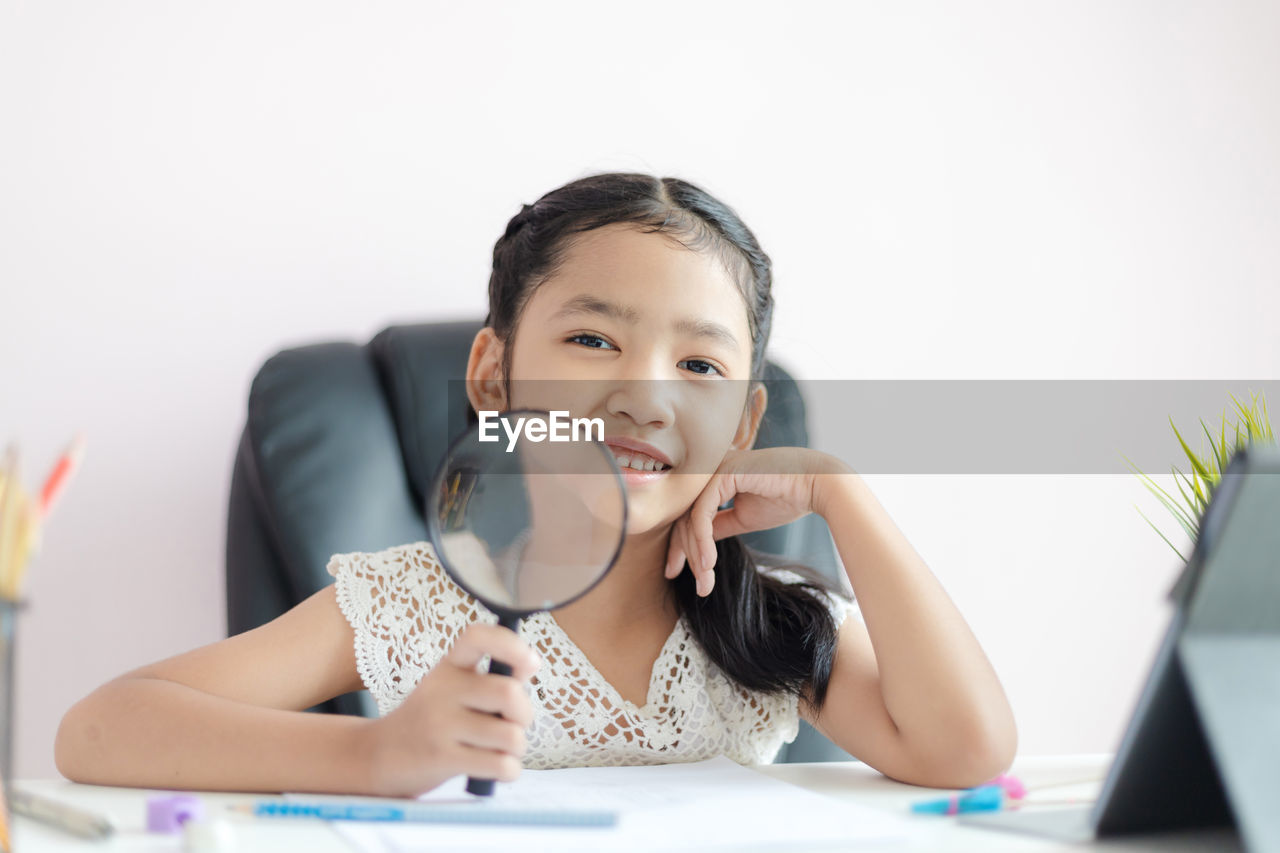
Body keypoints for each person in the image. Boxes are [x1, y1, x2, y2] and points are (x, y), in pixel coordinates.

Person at [55, 172, 1017, 797]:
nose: (645, 398)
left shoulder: (776, 624)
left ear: (748, 426)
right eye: (594, 339)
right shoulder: (417, 602)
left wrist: (842, 493)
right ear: (492, 374)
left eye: (701, 368)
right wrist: (375, 756)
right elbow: (99, 730)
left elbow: (965, 753)